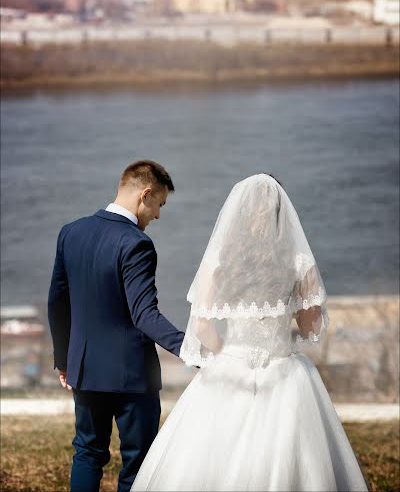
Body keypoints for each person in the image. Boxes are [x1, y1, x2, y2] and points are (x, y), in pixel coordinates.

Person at [131, 174, 369, 492]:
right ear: (282, 213)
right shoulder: (298, 262)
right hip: (284, 369)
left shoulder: (220, 261)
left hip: (230, 365)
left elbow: (202, 327)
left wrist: (225, 356)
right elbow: (311, 327)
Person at [48, 160, 185, 492]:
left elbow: (57, 303)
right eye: (160, 205)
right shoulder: (136, 243)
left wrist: (64, 360)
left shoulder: (71, 232)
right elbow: (144, 315)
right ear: (146, 194)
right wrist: (190, 347)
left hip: (85, 371)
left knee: (87, 453)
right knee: (139, 463)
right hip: (132, 377)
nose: (158, 216)